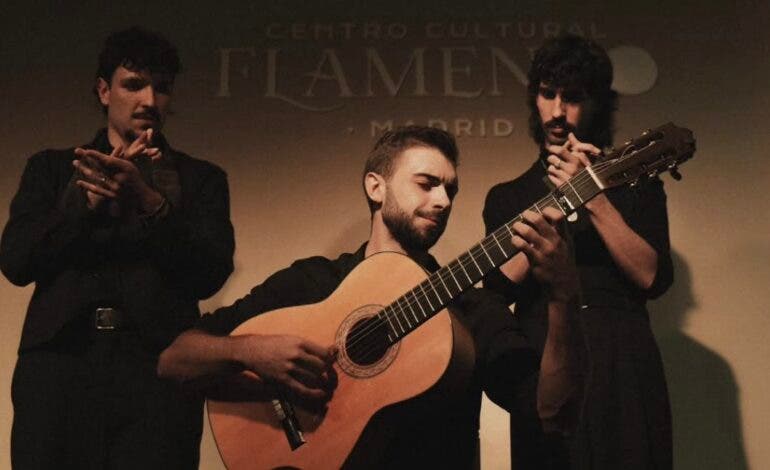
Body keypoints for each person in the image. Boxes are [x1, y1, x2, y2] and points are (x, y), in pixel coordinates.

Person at [158, 125, 580, 468]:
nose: (442, 201)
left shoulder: (473, 310)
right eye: (427, 184)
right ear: (376, 187)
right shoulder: (314, 282)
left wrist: (562, 297)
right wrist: (252, 352)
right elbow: (174, 359)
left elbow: (551, 413)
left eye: (450, 190)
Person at [0, 27, 235, 468]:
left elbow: (209, 273)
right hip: (59, 369)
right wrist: (85, 202)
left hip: (156, 373)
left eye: (161, 87)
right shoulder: (53, 168)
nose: (150, 100)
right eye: (134, 84)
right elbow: (16, 261)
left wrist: (149, 201)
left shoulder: (201, 179)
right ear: (104, 90)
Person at [483, 34, 674, 469]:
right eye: (547, 94)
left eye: (572, 97)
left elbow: (652, 277)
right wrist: (555, 204)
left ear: (596, 103)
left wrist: (593, 197)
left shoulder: (637, 183)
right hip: (545, 359)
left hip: (622, 363)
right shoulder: (507, 196)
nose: (557, 111)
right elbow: (498, 287)